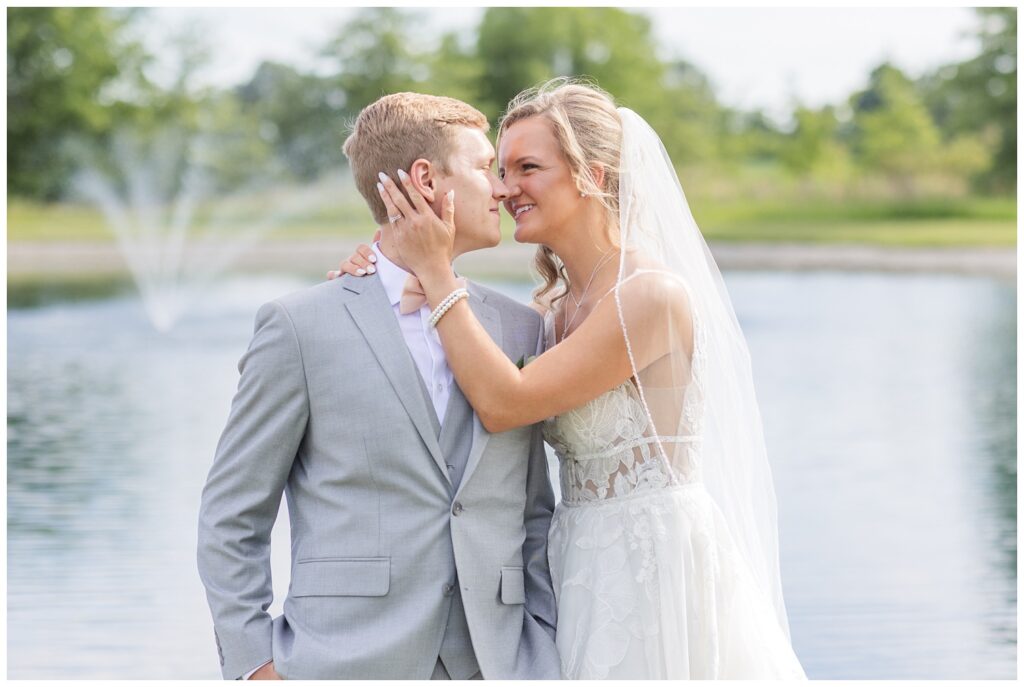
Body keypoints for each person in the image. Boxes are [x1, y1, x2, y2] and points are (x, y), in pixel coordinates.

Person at [337, 79, 806, 679]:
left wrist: (432, 270)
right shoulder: (552, 314)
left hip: (649, 568)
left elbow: (507, 403)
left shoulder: (650, 297)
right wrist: (376, 272)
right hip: (575, 563)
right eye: (500, 170)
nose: (505, 189)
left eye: (527, 167)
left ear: (596, 177)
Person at [197, 92, 560, 680]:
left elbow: (534, 513)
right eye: (483, 167)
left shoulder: (521, 328)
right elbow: (232, 515)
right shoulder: (300, 327)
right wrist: (254, 666)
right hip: (342, 661)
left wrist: (541, 641)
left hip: (499, 662)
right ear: (424, 178)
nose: (500, 189)